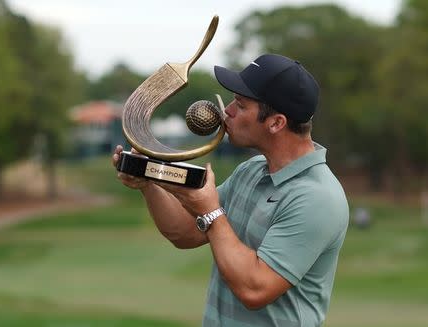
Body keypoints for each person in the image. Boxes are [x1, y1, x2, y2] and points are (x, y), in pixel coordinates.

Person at [113, 54, 349, 327]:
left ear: (276, 123)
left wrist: (211, 211)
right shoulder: (252, 170)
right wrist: (149, 184)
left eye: (241, 105)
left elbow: (255, 289)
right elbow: (184, 233)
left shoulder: (316, 198)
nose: (228, 112)